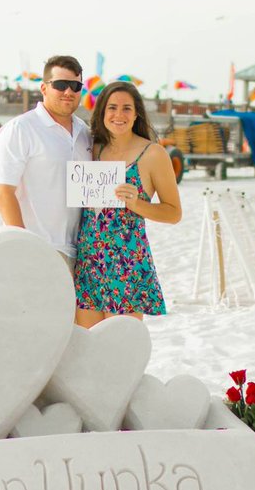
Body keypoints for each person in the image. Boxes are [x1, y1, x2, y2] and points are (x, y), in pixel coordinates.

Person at [72, 81, 180, 328]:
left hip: (126, 264)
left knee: (119, 349)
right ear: (101, 112)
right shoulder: (91, 149)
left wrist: (137, 204)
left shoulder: (153, 154)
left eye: (126, 108)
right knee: (88, 346)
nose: (118, 115)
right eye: (112, 108)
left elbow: (174, 213)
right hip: (88, 262)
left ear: (136, 114)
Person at [0, 54, 92, 274]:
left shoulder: (85, 132)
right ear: (44, 88)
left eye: (75, 86)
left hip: (81, 252)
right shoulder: (21, 129)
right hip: (37, 249)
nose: (68, 92)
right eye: (60, 84)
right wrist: (22, 245)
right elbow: (2, 191)